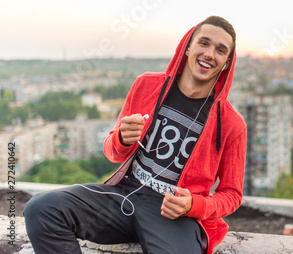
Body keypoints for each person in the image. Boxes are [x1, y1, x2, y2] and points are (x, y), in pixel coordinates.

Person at [24, 16, 247, 254]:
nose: (210, 53)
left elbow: (232, 194)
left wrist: (195, 205)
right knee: (42, 208)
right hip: (124, 195)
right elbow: (111, 151)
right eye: (204, 43)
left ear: (226, 62)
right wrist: (121, 138)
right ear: (188, 46)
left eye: (220, 50)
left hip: (175, 214)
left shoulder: (232, 123)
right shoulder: (146, 85)